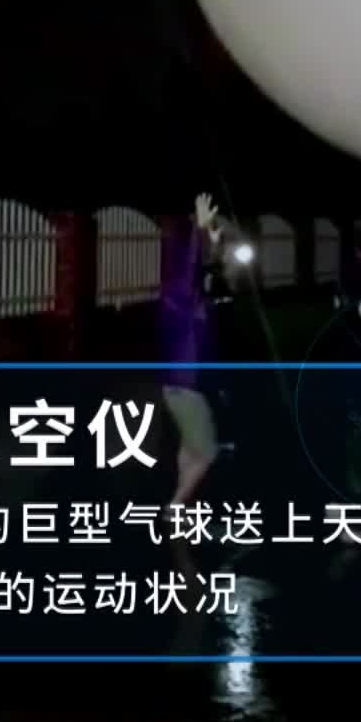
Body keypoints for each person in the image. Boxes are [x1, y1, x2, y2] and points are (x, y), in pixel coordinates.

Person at [159, 193, 232, 509]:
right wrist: (200, 231)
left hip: (179, 386)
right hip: (185, 388)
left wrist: (211, 243)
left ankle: (180, 504)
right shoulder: (181, 296)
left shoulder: (182, 298)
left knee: (190, 448)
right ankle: (176, 505)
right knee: (207, 452)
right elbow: (192, 266)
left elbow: (204, 269)